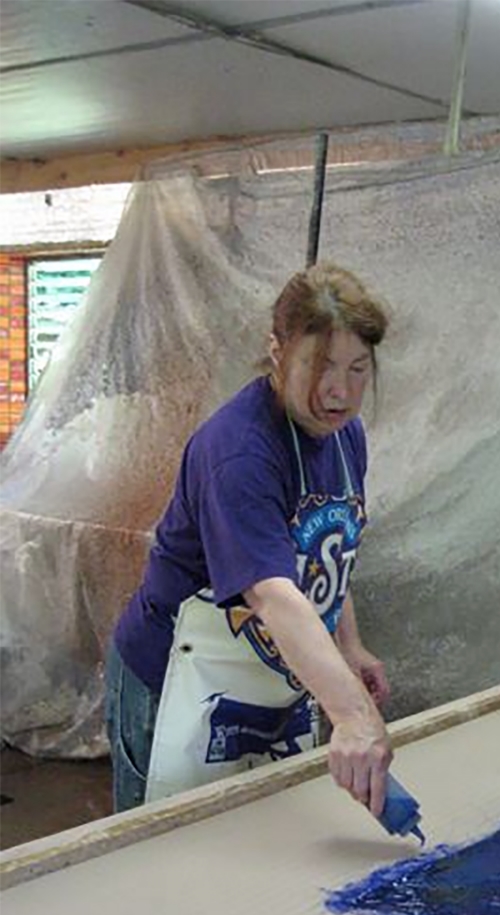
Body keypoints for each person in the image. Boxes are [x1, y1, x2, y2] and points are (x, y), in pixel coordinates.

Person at [106, 262, 393, 821]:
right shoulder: (239, 451)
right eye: (319, 365)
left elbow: (324, 551)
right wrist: (354, 715)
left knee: (258, 834)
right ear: (277, 350)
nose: (339, 390)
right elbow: (274, 593)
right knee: (167, 851)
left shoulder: (343, 436)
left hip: (266, 673)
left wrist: (347, 646)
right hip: (178, 679)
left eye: (358, 368)